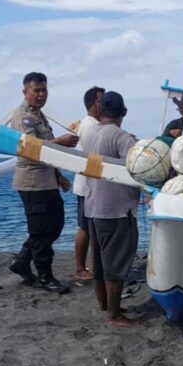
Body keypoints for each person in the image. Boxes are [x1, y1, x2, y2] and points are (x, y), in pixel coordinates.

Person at [7, 72, 79, 294]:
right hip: (32, 182)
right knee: (40, 231)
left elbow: (48, 152)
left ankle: (22, 260)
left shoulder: (40, 115)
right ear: (25, 92)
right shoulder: (22, 117)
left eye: (44, 90)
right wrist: (61, 142)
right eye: (36, 90)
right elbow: (32, 148)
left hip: (47, 180)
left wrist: (59, 176)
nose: (41, 95)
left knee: (55, 226)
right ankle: (45, 277)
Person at [80, 91, 141, 328]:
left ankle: (105, 305)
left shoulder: (92, 135)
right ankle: (114, 315)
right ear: (123, 112)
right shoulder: (122, 137)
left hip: (94, 207)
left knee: (99, 261)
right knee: (115, 264)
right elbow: (138, 169)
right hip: (117, 211)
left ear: (101, 111)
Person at [71, 86, 105, 281]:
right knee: (86, 228)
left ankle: (89, 266)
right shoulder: (91, 125)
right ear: (93, 104)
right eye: (102, 100)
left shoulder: (92, 123)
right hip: (87, 186)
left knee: (90, 228)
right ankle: (80, 268)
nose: (105, 104)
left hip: (89, 185)